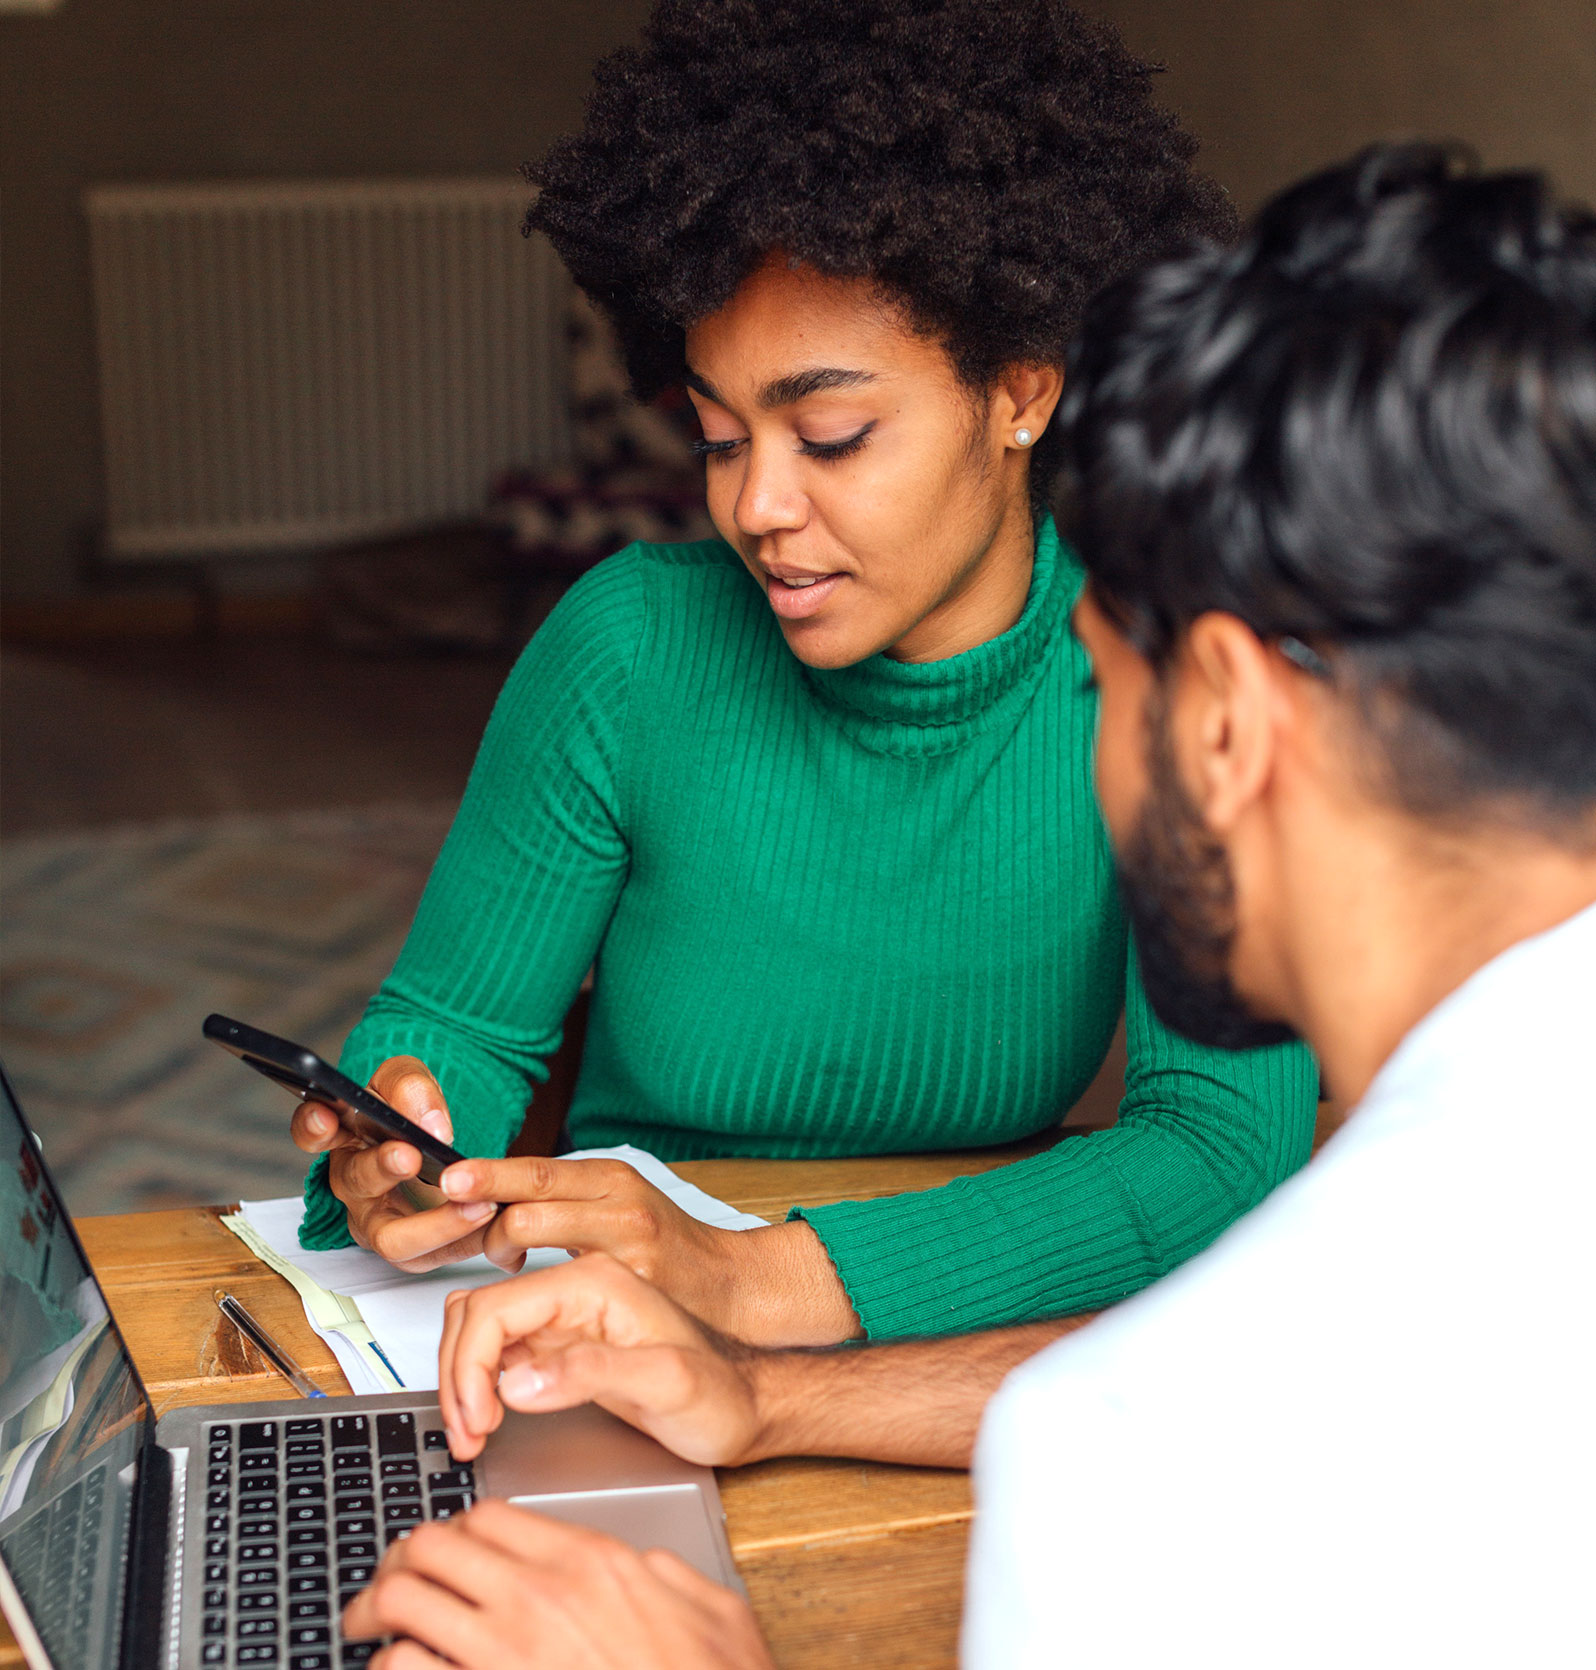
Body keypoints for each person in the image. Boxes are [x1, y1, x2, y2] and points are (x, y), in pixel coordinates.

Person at [341, 144, 1596, 1667]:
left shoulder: (1110, 1465)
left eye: (1109, 676)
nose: (760, 507)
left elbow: (1201, 1352)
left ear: (1224, 722)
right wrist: (763, 1392)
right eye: (722, 436)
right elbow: (1294, 1379)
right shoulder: (1418, 1246)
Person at [293, 0, 1318, 1356]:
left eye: (829, 434)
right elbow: (453, 1029)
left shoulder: (1165, 674)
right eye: (721, 436)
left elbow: (1218, 1145)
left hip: (959, 1333)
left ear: (1021, 391)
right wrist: (406, 1133)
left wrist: (757, 1278)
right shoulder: (628, 649)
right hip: (616, 1328)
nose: (757, 505)